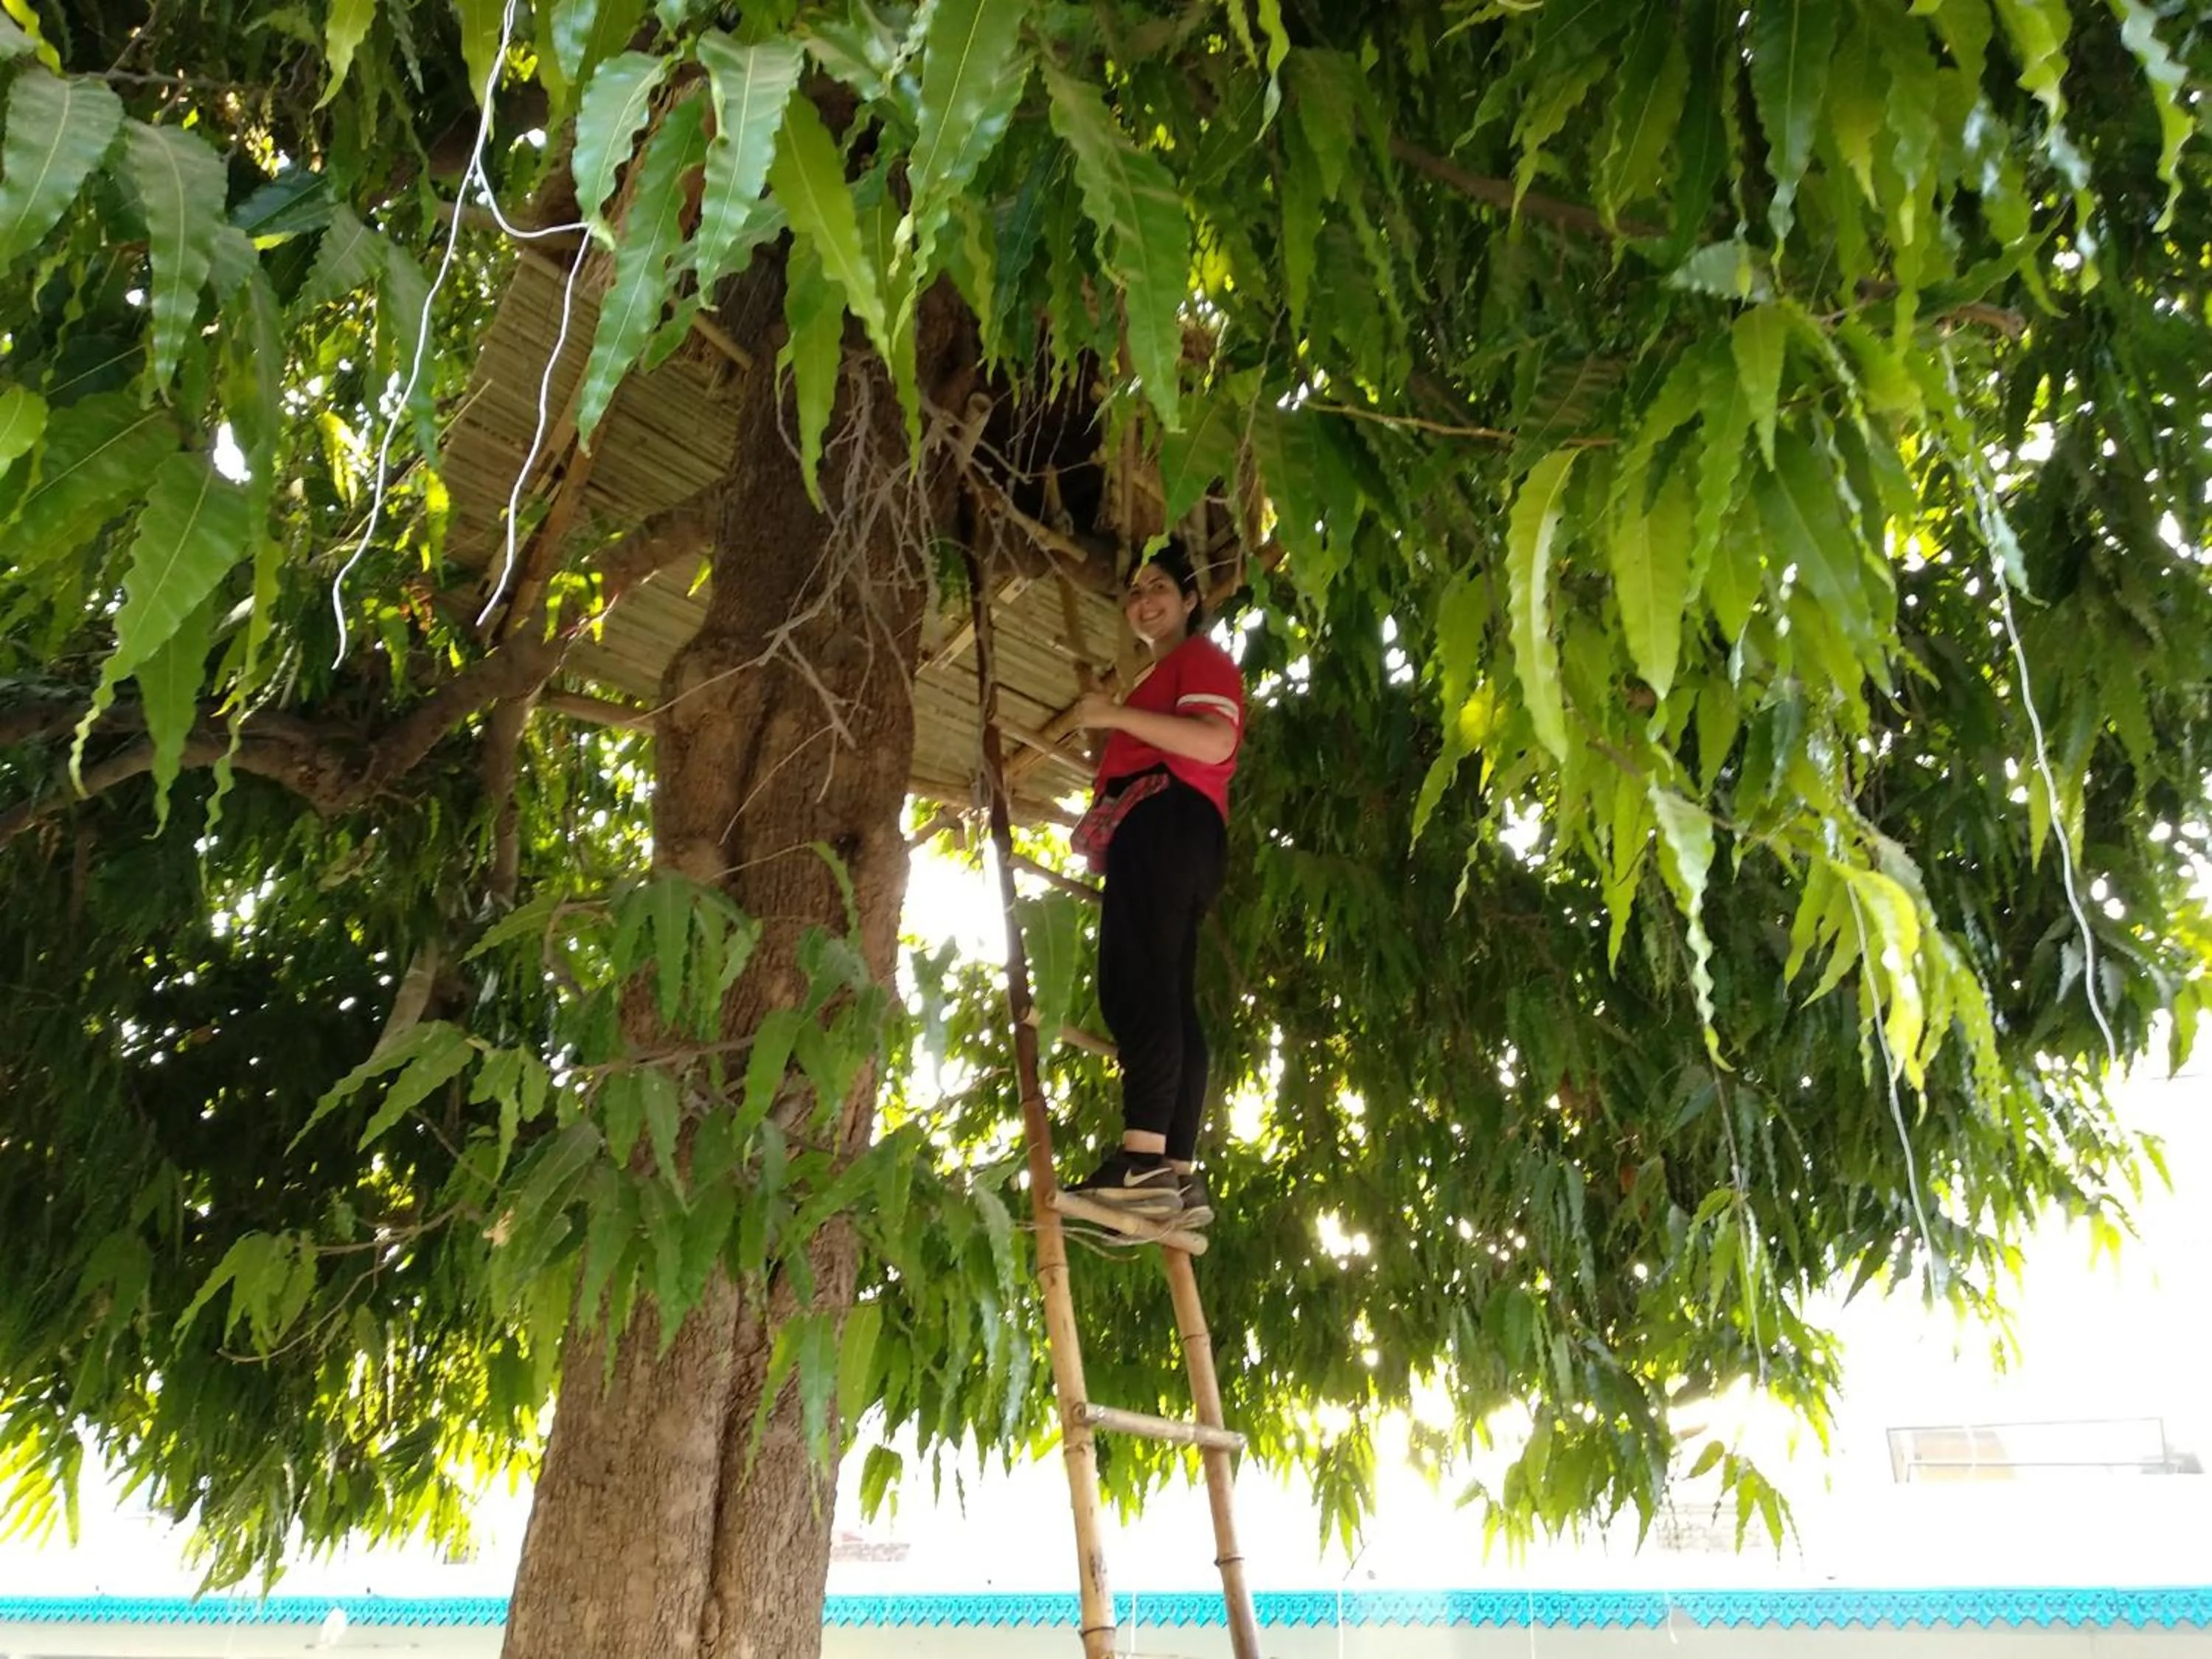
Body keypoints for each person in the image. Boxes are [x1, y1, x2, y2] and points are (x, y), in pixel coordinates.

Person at [1062, 543, 1244, 1226]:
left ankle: (1140, 1161)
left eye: (1160, 585)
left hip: (1167, 819)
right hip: (1183, 832)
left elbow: (1211, 743)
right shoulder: (1166, 672)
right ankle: (1176, 1171)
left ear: (1191, 600)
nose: (1144, 599)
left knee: (1136, 985)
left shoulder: (1198, 660)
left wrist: (1113, 716)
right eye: (1135, 590)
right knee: (1168, 992)